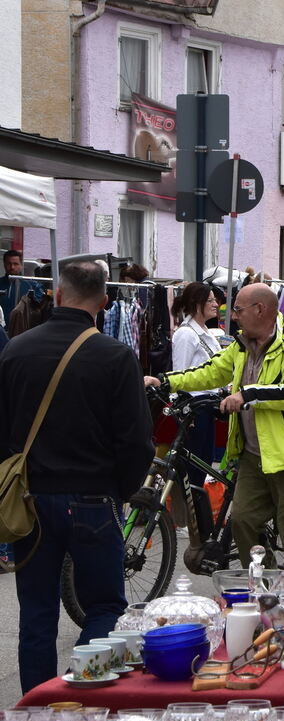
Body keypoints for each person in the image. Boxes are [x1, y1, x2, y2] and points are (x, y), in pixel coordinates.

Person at [0, 261, 154, 693]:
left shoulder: (16, 350)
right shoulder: (116, 356)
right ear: (105, 303)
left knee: (36, 612)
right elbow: (137, 443)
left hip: (31, 499)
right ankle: (85, 695)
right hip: (93, 498)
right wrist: (118, 492)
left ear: (57, 294)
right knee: (104, 605)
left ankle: (38, 710)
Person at [149, 283, 284, 571]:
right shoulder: (242, 344)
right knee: (243, 522)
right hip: (255, 457)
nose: (232, 316)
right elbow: (211, 371)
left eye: (238, 309)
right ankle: (265, 591)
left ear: (260, 309)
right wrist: (166, 381)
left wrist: (247, 394)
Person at [170, 282, 223, 490]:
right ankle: (184, 515)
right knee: (193, 463)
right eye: (210, 300)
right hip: (193, 409)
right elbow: (180, 374)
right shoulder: (186, 334)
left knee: (204, 460)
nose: (216, 304)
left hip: (207, 407)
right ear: (196, 303)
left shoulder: (205, 331)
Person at [0, 249, 32, 326]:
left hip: (21, 331)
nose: (12, 267)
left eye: (16, 264)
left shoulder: (29, 286)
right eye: (9, 264)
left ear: (21, 265)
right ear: (4, 264)